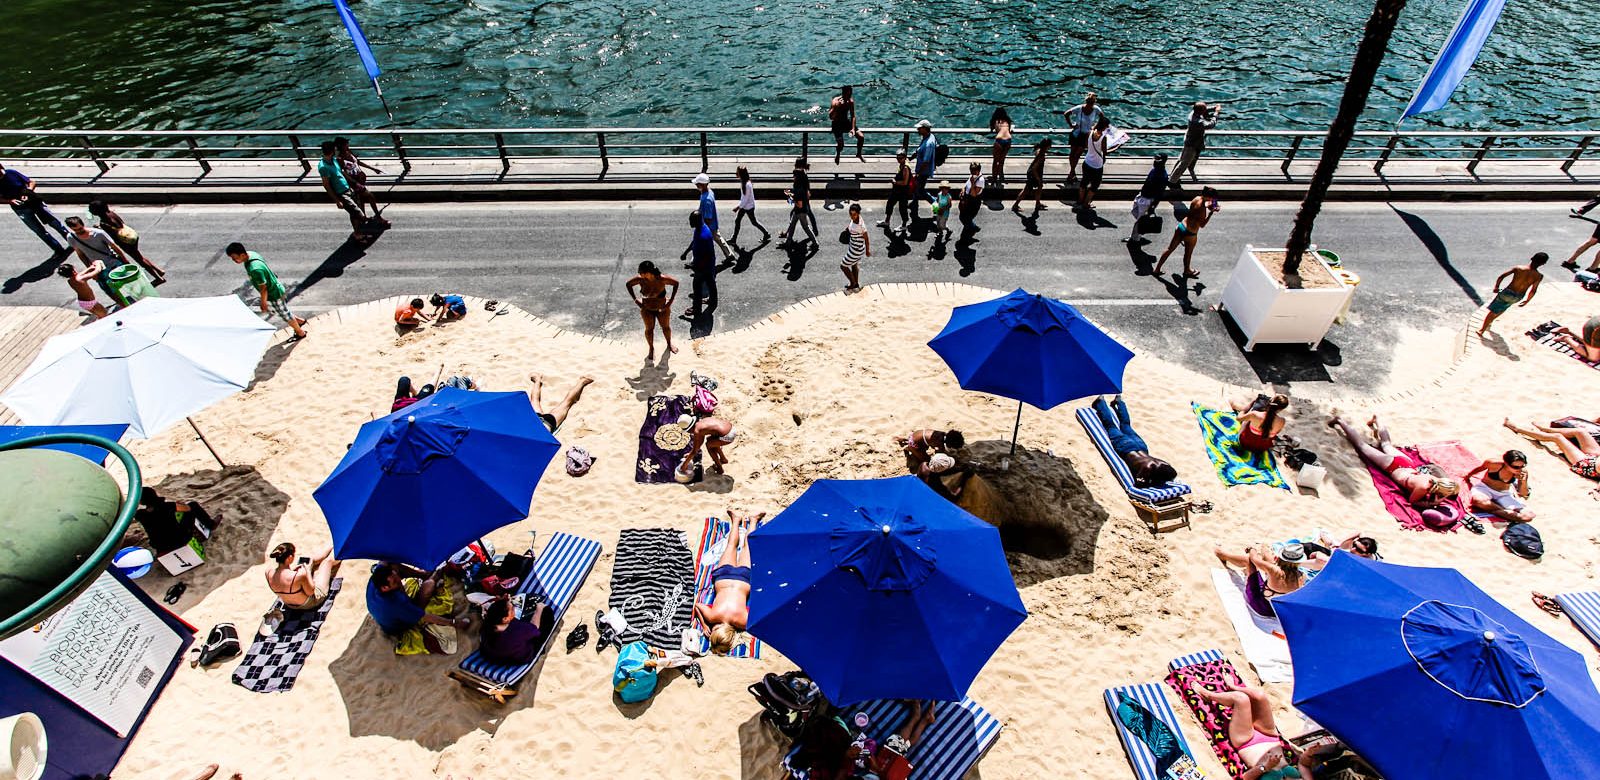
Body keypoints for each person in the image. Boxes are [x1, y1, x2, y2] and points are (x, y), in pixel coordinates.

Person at [1328, 413, 1461, 508]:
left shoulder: (1434, 479)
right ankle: (1340, 421)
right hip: (1393, 466)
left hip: (1406, 463)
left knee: (1386, 444)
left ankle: (1378, 419)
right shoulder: (1424, 487)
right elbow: (1412, 501)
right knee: (1362, 446)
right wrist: (1432, 504)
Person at [1192, 682, 1302, 780]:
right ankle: (1232, 686)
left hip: (1247, 742)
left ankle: (1208, 695)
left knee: (1241, 699)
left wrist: (1265, 767)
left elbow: (1245, 778)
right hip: (1270, 736)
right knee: (1260, 696)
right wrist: (1309, 754)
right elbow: (1304, 764)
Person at [694, 509, 763, 654]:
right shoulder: (712, 617)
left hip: (743, 580)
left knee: (748, 547)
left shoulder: (743, 622)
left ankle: (754, 520)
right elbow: (698, 606)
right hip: (723, 577)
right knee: (731, 546)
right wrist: (705, 624)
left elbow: (759, 615)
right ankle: (736, 520)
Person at [366, 562, 469, 655]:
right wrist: (454, 623)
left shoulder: (375, 581)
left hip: (391, 612)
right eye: (395, 582)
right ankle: (432, 576)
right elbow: (425, 616)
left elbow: (384, 561)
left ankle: (423, 575)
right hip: (400, 625)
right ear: (385, 588)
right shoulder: (395, 604)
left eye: (397, 577)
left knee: (393, 565)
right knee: (430, 585)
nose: (399, 580)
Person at [1092, 396, 1179, 487]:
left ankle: (1119, 402)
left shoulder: (1164, 464)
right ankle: (1100, 402)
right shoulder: (1147, 468)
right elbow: (1139, 483)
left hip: (1141, 446)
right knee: (1111, 426)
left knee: (1126, 425)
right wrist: (1151, 482)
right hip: (1126, 447)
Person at [227, 242, 307, 339]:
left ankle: (300, 333)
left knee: (285, 315)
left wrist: (263, 302)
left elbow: (263, 288)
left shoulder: (254, 269)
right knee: (282, 311)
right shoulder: (252, 254)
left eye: (235, 258)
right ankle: (300, 321)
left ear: (242, 254)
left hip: (274, 294)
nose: (234, 260)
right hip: (276, 287)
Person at [1215, 543, 1306, 619]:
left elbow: (1254, 559)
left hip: (1261, 606)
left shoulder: (1274, 570)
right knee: (1269, 563)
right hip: (1277, 611)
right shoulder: (1302, 577)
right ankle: (1264, 547)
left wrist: (1251, 549)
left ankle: (1221, 554)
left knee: (1248, 560)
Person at [87, 201, 165, 283]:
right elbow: (116, 226)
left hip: (125, 241)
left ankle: (158, 278)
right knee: (139, 256)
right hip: (130, 235)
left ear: (96, 211)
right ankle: (159, 271)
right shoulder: (111, 214)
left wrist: (100, 229)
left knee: (140, 260)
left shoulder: (103, 222)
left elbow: (111, 235)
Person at [0, 162, 69, 252]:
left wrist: (27, 192)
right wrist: (10, 201)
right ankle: (58, 249)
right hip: (20, 209)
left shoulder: (11, 173)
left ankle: (72, 241)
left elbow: (31, 182)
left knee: (54, 223)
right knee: (39, 230)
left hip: (35, 202)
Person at [1153, 186, 1219, 279]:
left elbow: (1195, 211)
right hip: (1190, 233)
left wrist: (1207, 205)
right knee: (1188, 253)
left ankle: (1157, 269)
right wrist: (1211, 213)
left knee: (1169, 249)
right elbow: (1202, 225)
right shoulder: (1202, 209)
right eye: (1212, 198)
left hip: (1181, 226)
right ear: (1209, 197)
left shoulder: (1196, 198)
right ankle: (1187, 270)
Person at [1504, 418, 1600, 481]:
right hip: (1596, 456)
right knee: (1580, 432)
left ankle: (1518, 429)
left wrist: (1597, 490)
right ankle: (1545, 429)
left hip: (1587, 465)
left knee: (1557, 437)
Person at [65, 216, 132, 302]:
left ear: (83, 224)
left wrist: (125, 261)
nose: (79, 231)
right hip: (99, 269)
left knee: (129, 282)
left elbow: (115, 247)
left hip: (113, 263)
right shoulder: (71, 238)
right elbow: (81, 254)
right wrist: (91, 269)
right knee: (108, 290)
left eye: (81, 228)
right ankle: (122, 304)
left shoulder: (99, 233)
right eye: (76, 230)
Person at [867, 700, 939, 780]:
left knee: (904, 746)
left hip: (887, 773)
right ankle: (917, 717)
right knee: (896, 744)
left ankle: (924, 720)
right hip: (883, 773)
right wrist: (876, 767)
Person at [1480, 253, 1546, 335]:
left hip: (1507, 293)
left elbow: (1502, 276)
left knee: (1493, 311)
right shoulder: (1539, 276)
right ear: (1543, 264)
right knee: (1503, 308)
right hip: (1518, 296)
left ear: (1532, 258)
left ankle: (1482, 330)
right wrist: (1527, 301)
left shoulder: (1519, 268)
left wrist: (1496, 287)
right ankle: (1489, 322)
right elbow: (1533, 290)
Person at [478, 594, 554, 666]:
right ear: (505, 619)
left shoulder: (486, 625)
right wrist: (540, 608)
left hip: (493, 658)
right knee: (547, 612)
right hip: (518, 658)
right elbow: (535, 628)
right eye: (512, 609)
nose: (514, 608)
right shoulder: (517, 629)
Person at [625, 260, 680, 360]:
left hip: (662, 306)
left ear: (648, 272)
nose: (640, 274)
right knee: (649, 329)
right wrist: (636, 300)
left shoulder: (661, 279)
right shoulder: (640, 280)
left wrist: (670, 301)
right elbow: (628, 284)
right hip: (647, 307)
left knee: (666, 327)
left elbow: (676, 283)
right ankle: (651, 348)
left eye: (641, 273)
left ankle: (669, 344)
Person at [318, 140, 371, 240]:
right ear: (332, 150)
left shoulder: (333, 160)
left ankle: (358, 234)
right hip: (341, 193)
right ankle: (361, 228)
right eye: (335, 149)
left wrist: (354, 184)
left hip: (348, 189)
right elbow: (326, 185)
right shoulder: (323, 167)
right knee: (358, 213)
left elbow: (341, 172)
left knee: (353, 214)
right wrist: (337, 200)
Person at [264, 542, 340, 611]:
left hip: (290, 605)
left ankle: (332, 544)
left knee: (309, 560)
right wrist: (307, 572)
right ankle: (342, 548)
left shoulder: (268, 572)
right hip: (309, 603)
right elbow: (311, 592)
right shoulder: (299, 575)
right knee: (327, 562)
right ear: (290, 557)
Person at [1464, 449, 1534, 522]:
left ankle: (1495, 510)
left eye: (1522, 466)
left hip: (1504, 493)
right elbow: (1480, 468)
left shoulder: (1522, 472)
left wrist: (1523, 481)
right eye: (1516, 467)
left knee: (1528, 517)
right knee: (1478, 501)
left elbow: (1523, 493)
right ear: (1506, 463)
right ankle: (1503, 511)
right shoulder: (1493, 463)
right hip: (1485, 488)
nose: (1519, 469)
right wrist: (1468, 475)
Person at [334, 136, 387, 220]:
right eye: (346, 144)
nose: (348, 144)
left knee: (361, 199)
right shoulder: (339, 158)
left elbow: (358, 162)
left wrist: (373, 169)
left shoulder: (348, 152)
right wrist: (355, 183)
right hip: (354, 182)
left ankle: (363, 218)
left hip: (360, 179)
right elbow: (343, 173)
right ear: (341, 146)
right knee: (370, 196)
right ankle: (378, 217)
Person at [1169, 102, 1222, 184]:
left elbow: (1203, 110)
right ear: (1201, 111)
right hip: (1192, 145)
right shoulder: (1198, 122)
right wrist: (1216, 113)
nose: (1206, 109)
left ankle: (1172, 177)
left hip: (1189, 140)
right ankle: (1172, 182)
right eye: (1205, 109)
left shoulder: (1193, 113)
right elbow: (1211, 125)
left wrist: (1214, 107)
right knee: (1184, 164)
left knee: (1181, 160)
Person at [681, 210, 719, 318]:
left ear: (697, 221)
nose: (689, 222)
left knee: (697, 287)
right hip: (707, 264)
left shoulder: (704, 235)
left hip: (703, 266)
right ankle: (713, 301)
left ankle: (696, 309)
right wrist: (686, 252)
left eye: (691, 220)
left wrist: (693, 266)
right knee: (711, 282)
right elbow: (694, 241)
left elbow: (706, 256)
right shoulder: (700, 228)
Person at [528, 373, 593, 434]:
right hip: (535, 419)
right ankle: (537, 380)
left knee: (567, 402)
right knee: (534, 400)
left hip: (548, 424)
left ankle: (582, 381)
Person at [1126, 154, 1170, 244]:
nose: (1154, 162)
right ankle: (1139, 233)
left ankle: (1134, 239)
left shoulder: (1162, 175)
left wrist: (1152, 206)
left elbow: (1159, 193)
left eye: (1157, 161)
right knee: (1134, 212)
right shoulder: (1155, 170)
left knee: (1140, 220)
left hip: (1148, 200)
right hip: (1142, 196)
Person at [1062, 92, 1105, 181]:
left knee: (1077, 155)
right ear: (1086, 102)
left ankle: (1071, 172)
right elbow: (1066, 113)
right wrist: (1071, 125)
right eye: (1089, 103)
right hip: (1076, 133)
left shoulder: (1096, 109)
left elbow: (1102, 117)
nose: (1090, 105)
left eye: (1092, 103)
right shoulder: (1079, 108)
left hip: (1086, 136)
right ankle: (1072, 172)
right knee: (1072, 154)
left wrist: (1095, 126)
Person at [693, 173, 736, 262]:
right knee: (718, 239)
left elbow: (708, 217)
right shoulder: (708, 192)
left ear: (702, 185)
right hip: (712, 225)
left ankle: (695, 261)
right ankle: (730, 255)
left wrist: (703, 227)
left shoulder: (707, 199)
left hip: (708, 226)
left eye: (697, 184)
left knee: (699, 243)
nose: (696, 186)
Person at [1077, 115, 1112, 211]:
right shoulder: (1103, 138)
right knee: (1095, 185)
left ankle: (1080, 200)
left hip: (1087, 161)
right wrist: (1116, 147)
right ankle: (1086, 203)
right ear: (1104, 126)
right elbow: (1104, 152)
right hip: (1097, 165)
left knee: (1084, 182)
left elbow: (1085, 145)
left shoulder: (1090, 132)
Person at [779, 157, 818, 245]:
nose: (793, 177)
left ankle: (815, 241)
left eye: (794, 176)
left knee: (805, 225)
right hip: (802, 201)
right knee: (794, 221)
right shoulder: (802, 176)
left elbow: (800, 199)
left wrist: (791, 196)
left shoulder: (801, 178)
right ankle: (788, 240)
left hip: (801, 204)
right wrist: (791, 192)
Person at [893, 428, 966, 474]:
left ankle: (908, 443)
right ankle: (909, 448)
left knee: (923, 446)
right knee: (926, 460)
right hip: (914, 445)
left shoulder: (942, 434)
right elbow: (938, 455)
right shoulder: (939, 443)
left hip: (916, 434)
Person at [878, 150, 914, 234]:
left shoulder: (905, 168)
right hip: (896, 190)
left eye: (901, 158)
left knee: (903, 208)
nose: (898, 159)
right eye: (897, 158)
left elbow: (905, 182)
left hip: (903, 191)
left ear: (904, 158)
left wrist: (895, 182)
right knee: (890, 203)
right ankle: (887, 221)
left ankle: (904, 225)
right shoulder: (901, 165)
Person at [731, 165, 769, 244]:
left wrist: (738, 207)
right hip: (746, 206)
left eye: (737, 172)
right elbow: (744, 198)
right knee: (738, 221)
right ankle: (734, 239)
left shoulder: (747, 185)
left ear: (741, 173)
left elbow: (745, 199)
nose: (736, 173)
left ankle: (766, 233)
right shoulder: (745, 182)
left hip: (748, 207)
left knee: (753, 222)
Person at [1011, 139, 1051, 213]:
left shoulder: (1039, 150)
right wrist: (1038, 179)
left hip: (1035, 173)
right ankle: (1015, 205)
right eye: (1049, 146)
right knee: (1026, 190)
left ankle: (1038, 203)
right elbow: (1034, 169)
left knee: (1040, 187)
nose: (1050, 147)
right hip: (1034, 174)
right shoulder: (1041, 155)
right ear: (1047, 146)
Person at [829, 86, 864, 164]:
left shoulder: (850, 102)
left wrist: (853, 128)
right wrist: (836, 107)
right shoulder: (835, 101)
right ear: (843, 93)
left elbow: (853, 116)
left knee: (861, 137)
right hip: (836, 124)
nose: (849, 96)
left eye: (850, 94)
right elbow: (830, 117)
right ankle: (837, 154)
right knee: (841, 145)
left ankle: (859, 154)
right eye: (848, 94)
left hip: (846, 122)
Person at [911, 120, 939, 217]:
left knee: (920, 190)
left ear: (925, 129)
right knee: (916, 187)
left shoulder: (929, 144)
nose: (917, 129)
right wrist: (911, 157)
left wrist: (918, 172)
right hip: (921, 169)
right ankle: (914, 204)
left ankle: (934, 202)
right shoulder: (927, 137)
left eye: (919, 128)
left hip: (923, 171)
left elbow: (926, 161)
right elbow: (919, 150)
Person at [841, 202, 869, 293]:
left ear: (858, 214)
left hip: (856, 250)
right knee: (854, 264)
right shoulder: (856, 219)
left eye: (854, 214)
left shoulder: (861, 226)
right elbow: (851, 224)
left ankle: (852, 284)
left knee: (843, 266)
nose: (852, 216)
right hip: (854, 246)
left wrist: (867, 251)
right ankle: (856, 285)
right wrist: (846, 229)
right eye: (850, 214)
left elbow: (866, 238)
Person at [989, 107, 1014, 187]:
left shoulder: (996, 121)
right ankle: (1001, 177)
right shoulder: (1007, 121)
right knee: (1001, 161)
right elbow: (1009, 130)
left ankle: (994, 178)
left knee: (995, 161)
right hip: (1008, 140)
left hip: (999, 140)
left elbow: (992, 129)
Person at [957, 162, 985, 230]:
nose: (972, 173)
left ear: (978, 170)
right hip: (967, 199)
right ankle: (971, 226)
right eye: (971, 171)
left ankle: (972, 227)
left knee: (966, 218)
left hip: (973, 202)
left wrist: (973, 183)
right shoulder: (972, 175)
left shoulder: (980, 180)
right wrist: (963, 190)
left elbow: (974, 194)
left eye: (974, 171)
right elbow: (966, 185)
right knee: (963, 216)